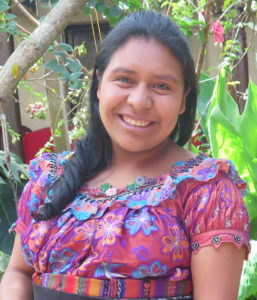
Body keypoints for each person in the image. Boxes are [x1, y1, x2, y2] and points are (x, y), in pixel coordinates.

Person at [0, 10, 250, 300]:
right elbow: (19, 272)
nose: (139, 101)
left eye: (161, 86)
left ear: (184, 100)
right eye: (124, 79)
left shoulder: (206, 191)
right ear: (99, 84)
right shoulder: (48, 179)